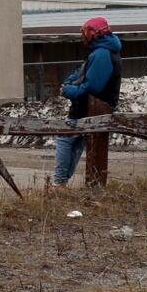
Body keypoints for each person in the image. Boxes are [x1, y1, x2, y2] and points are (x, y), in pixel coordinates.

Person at [52, 16, 122, 188]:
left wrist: (68, 90)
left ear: (95, 33)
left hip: (88, 108)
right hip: (91, 108)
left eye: (85, 31)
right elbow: (79, 75)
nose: (83, 35)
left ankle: (59, 183)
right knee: (75, 143)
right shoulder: (101, 51)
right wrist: (71, 83)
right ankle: (61, 183)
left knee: (64, 139)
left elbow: (92, 88)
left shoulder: (101, 54)